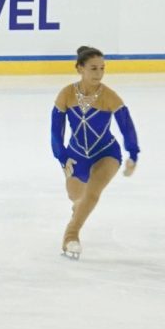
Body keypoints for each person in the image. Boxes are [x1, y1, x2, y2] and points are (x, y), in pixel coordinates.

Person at [50, 46, 140, 259]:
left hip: (106, 153)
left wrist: (133, 154)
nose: (98, 73)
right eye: (93, 68)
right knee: (76, 197)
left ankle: (71, 236)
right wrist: (62, 156)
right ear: (80, 69)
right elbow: (56, 130)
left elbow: (126, 126)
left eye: (102, 68)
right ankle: (78, 211)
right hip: (76, 154)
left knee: (92, 192)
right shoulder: (66, 94)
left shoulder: (110, 96)